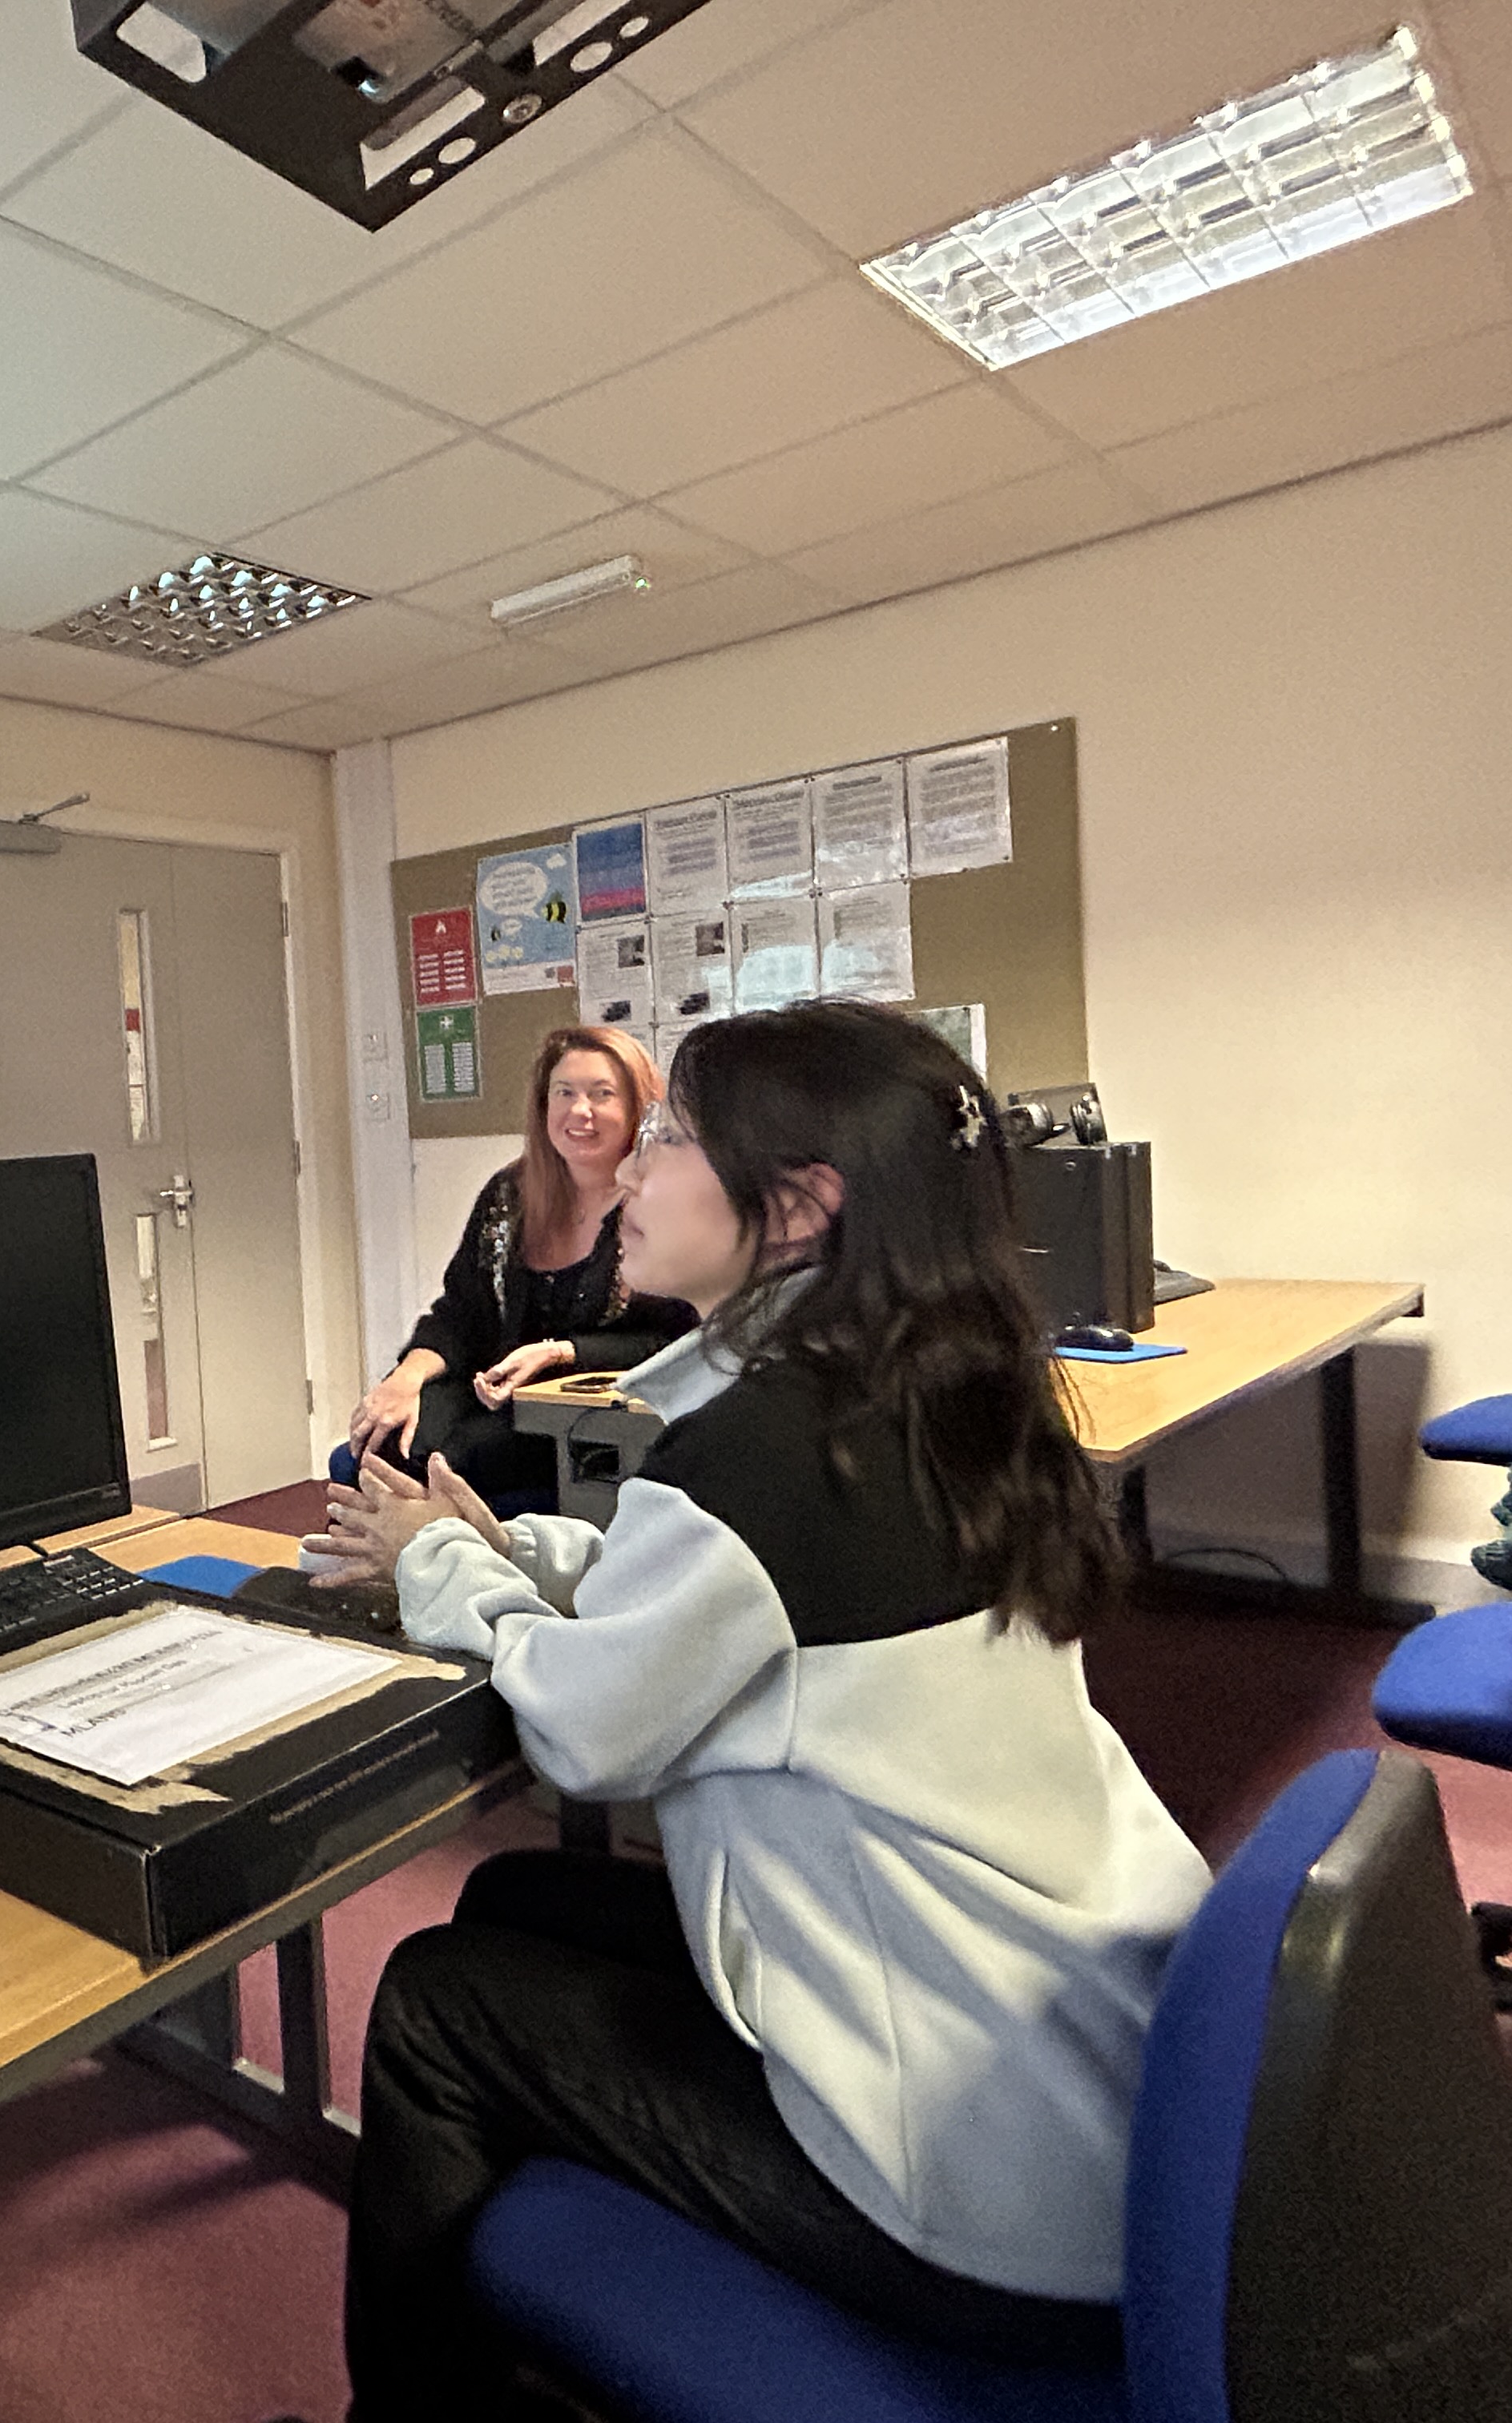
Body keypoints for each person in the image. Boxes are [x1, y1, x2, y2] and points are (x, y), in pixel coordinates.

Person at [306, 1000, 1209, 2420]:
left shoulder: (760, 1455)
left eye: (670, 1139)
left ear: (796, 1207)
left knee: (434, 1998)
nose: (632, 1169)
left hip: (975, 2195)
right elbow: (719, 1597)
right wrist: (498, 1542)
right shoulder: (920, 1388)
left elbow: (583, 1733)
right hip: (1080, 2063)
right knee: (518, 1907)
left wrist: (436, 1565)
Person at [346, 1025, 692, 1501]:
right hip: (484, 1387)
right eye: (565, 1093)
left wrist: (560, 1352)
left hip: (573, 1409)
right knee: (380, 1448)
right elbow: (459, 1314)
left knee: (454, 1466)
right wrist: (405, 1378)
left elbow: (677, 1340)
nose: (580, 1111)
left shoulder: (657, 1203)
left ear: (638, 1107)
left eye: (602, 1094)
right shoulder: (507, 1195)